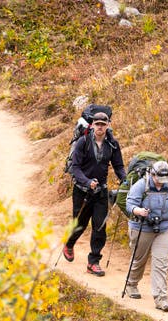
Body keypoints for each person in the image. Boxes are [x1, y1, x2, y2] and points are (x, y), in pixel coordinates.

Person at [62, 110, 127, 276]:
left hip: (101, 192)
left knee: (99, 226)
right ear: (92, 125)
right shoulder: (83, 142)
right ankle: (69, 244)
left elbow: (118, 166)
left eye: (103, 124)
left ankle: (93, 262)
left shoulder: (112, 144)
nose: (100, 127)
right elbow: (75, 168)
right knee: (80, 224)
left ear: (107, 125)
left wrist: (124, 180)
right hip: (82, 191)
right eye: (97, 124)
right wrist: (87, 182)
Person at [124, 160, 168, 312]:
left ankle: (161, 298)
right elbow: (129, 204)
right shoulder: (141, 185)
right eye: (159, 179)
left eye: (164, 179)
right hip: (142, 226)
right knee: (139, 259)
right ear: (152, 174)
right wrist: (138, 211)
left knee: (161, 263)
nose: (161, 183)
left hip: (164, 227)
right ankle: (131, 283)